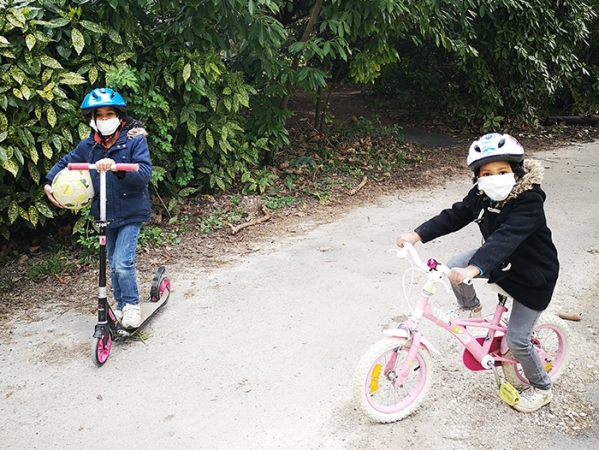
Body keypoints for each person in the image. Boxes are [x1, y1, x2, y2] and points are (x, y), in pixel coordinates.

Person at [396, 132, 559, 413]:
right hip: (500, 263)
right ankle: (471, 307)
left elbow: (505, 238)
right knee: (453, 263)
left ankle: (543, 387)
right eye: (486, 173)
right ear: (478, 178)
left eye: (502, 171)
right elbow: (455, 215)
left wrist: (475, 268)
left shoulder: (529, 202)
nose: (495, 177)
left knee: (518, 340)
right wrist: (417, 234)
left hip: (533, 276)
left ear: (516, 172)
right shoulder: (482, 196)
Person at [44, 88, 152, 329]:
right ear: (91, 120)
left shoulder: (134, 141)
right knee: (112, 262)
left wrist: (117, 166)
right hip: (105, 212)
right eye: (99, 115)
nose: (104, 120)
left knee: (123, 262)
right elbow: (66, 162)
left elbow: (144, 173)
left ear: (120, 116)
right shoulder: (89, 146)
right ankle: (122, 305)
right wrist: (50, 181)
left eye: (109, 114)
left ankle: (132, 305)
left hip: (131, 211)